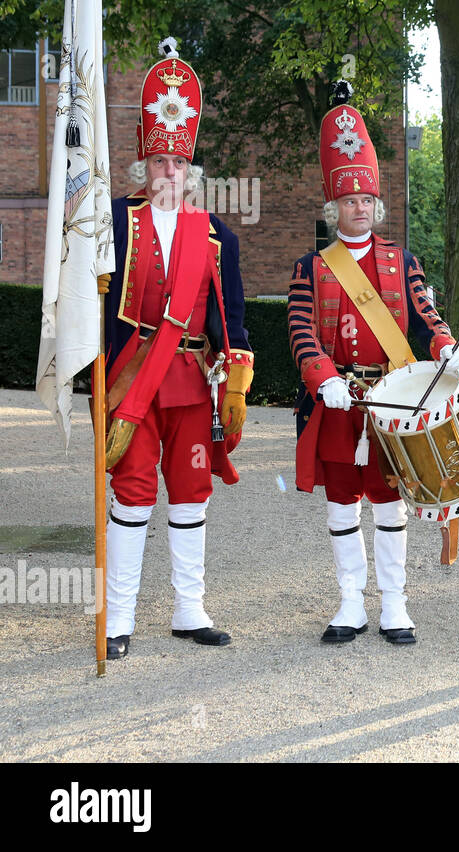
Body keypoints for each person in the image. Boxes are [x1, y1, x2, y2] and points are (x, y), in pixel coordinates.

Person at [289, 82, 459, 646]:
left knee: (390, 504)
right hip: (340, 404)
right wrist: (323, 380)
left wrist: (447, 348)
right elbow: (300, 334)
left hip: (391, 404)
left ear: (375, 205)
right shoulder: (310, 267)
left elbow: (426, 317)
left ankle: (394, 604)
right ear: (333, 206)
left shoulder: (401, 259)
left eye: (365, 200)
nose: (357, 208)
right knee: (342, 504)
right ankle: (348, 604)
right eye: (347, 201)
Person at [102, 38, 254, 659]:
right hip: (134, 375)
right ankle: (118, 618)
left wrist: (237, 369)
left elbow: (233, 316)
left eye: (178, 162)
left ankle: (190, 610)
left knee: (191, 491)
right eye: (159, 161)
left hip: (192, 378)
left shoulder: (217, 234)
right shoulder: (112, 220)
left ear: (190, 168)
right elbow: (91, 300)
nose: (169, 172)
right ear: (145, 164)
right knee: (132, 489)